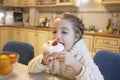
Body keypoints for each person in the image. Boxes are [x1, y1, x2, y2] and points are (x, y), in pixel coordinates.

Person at [28, 12, 104, 80]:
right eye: (54, 31)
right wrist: (43, 62)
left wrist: (75, 64)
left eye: (64, 32)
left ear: (76, 37)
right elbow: (30, 68)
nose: (57, 36)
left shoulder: (82, 54)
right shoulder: (52, 51)